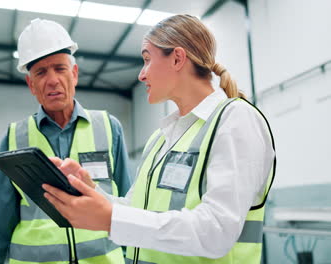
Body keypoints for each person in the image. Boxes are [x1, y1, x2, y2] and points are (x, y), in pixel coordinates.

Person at [43, 14, 276, 264]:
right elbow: (135, 210)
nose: (142, 75)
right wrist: (90, 190)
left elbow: (217, 231)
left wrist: (110, 218)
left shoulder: (235, 120)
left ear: (177, 58)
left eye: (147, 59)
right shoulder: (161, 138)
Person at [0, 18, 131, 264]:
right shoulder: (15, 138)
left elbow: (129, 209)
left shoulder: (109, 128)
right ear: (31, 84)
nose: (53, 80)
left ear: (74, 74)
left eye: (60, 68)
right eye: (41, 72)